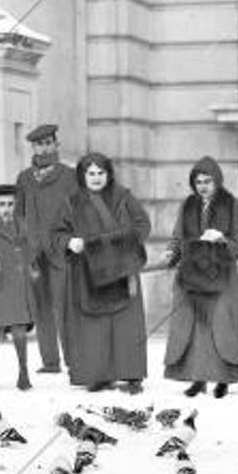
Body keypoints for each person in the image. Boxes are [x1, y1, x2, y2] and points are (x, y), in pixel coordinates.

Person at [54, 152, 151, 394]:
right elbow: (56, 233)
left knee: (125, 324)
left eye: (101, 173)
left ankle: (131, 374)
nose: (96, 178)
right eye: (91, 174)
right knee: (93, 325)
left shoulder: (123, 197)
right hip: (86, 272)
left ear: (108, 174)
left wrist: (120, 242)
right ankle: (97, 375)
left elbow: (142, 225)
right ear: (82, 176)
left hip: (121, 269)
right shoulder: (71, 202)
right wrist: (69, 242)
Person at [163, 156, 238, 398]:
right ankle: (197, 379)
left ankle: (223, 379)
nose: (203, 186)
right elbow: (178, 235)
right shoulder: (188, 205)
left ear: (218, 181)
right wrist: (172, 251)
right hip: (191, 273)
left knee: (220, 324)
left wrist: (222, 240)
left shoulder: (231, 205)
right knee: (194, 326)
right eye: (198, 181)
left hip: (221, 275)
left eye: (208, 181)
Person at [15, 123, 80, 374]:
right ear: (33, 147)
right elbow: (19, 215)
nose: (44, 148)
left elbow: (79, 212)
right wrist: (23, 244)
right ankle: (50, 361)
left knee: (65, 306)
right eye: (39, 144)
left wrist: (72, 242)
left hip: (61, 251)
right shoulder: (24, 178)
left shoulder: (69, 176)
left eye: (48, 143)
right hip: (34, 253)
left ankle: (74, 360)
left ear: (56, 144)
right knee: (40, 306)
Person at [0, 184, 39, 392]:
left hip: (19, 285)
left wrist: (31, 263)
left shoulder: (23, 225)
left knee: (20, 331)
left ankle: (23, 373)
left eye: (10, 204)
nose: (6, 208)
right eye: (2, 204)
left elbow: (32, 249)